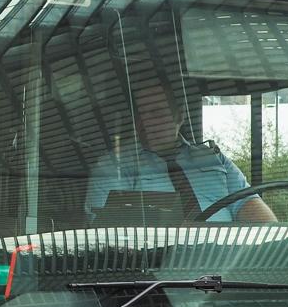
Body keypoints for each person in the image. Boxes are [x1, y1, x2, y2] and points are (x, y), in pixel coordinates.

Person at [85, 84, 278, 224]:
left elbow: (248, 204)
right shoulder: (115, 166)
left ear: (179, 117)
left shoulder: (213, 158)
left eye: (156, 113)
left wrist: (275, 242)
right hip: (159, 267)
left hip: (226, 262)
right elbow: (110, 230)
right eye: (140, 115)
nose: (146, 123)